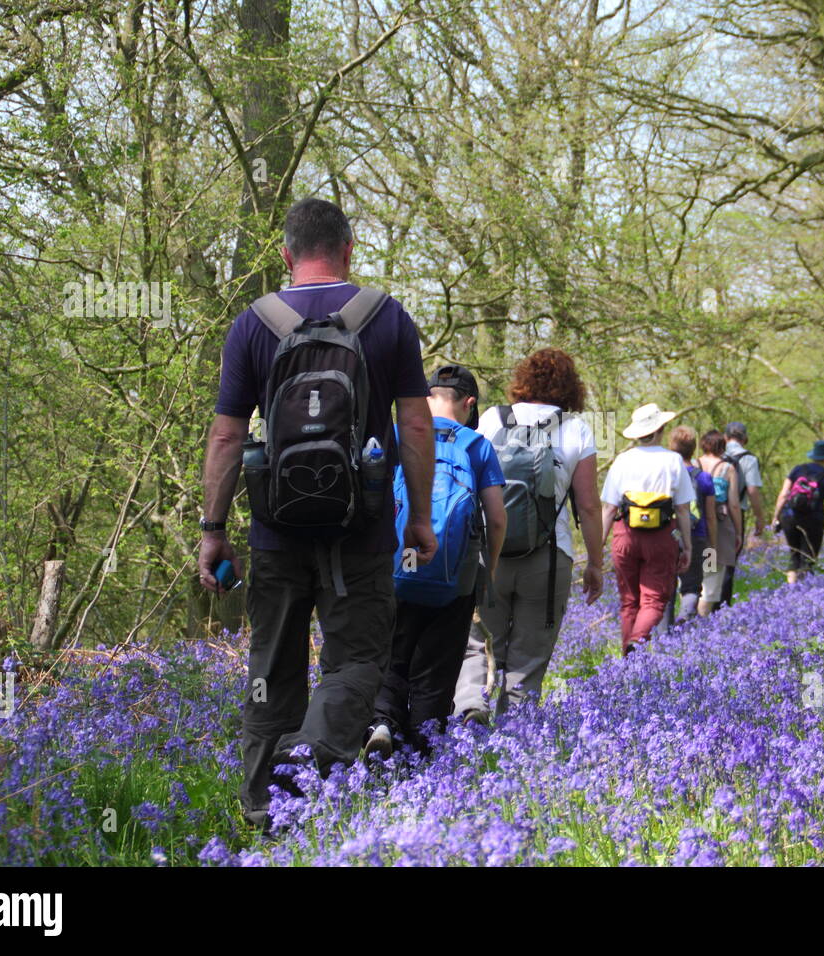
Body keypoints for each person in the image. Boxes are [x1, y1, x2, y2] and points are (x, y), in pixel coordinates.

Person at [199, 197, 437, 832]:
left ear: (286, 254)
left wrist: (213, 531)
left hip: (275, 526)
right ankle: (311, 754)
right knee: (358, 658)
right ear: (349, 250)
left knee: (271, 663)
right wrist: (418, 517)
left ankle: (261, 811)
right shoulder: (386, 319)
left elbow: (226, 438)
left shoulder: (253, 323)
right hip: (361, 527)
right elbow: (415, 423)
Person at [452, 348, 604, 720]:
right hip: (549, 559)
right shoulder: (576, 429)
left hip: (490, 552)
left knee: (476, 639)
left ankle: (470, 702)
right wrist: (596, 564)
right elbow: (587, 506)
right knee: (528, 656)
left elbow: (467, 482)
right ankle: (514, 739)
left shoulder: (491, 419)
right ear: (572, 389)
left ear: (523, 380)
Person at [364, 366, 506, 759]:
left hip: (396, 565)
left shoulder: (396, 434)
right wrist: (487, 571)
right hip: (452, 575)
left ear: (428, 395)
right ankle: (423, 748)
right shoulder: (477, 445)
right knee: (438, 666)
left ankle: (381, 724)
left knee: (392, 651)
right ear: (469, 403)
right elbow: (496, 517)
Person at [601, 404, 694, 654]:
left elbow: (609, 508)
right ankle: (636, 642)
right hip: (661, 537)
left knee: (629, 601)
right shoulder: (673, 460)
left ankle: (628, 656)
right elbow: (683, 509)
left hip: (625, 535)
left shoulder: (622, 460)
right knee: (654, 599)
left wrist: (596, 547)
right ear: (661, 429)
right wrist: (687, 547)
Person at [656, 425, 717, 631]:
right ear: (694, 448)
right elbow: (710, 516)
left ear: (671, 447)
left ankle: (664, 634)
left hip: (667, 535)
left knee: (667, 586)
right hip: (697, 536)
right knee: (691, 587)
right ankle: (684, 620)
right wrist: (712, 546)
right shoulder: (704, 478)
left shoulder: (665, 475)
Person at [771, 439, 824, 584]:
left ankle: (791, 591)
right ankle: (803, 594)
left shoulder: (797, 470)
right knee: (808, 559)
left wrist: (776, 517)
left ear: (813, 456)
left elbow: (784, 495)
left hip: (789, 517)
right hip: (813, 520)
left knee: (794, 556)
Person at [695, 429, 743, 615]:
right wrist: (738, 532)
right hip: (718, 529)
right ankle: (700, 622)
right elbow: (734, 505)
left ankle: (688, 618)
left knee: (692, 579)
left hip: (692, 527)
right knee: (711, 576)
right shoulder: (727, 468)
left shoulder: (692, 464)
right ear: (722, 446)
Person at [721, 422, 764, 606]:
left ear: (725, 438)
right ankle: (721, 605)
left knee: (710, 558)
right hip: (735, 515)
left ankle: (705, 603)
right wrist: (760, 517)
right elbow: (753, 490)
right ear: (745, 439)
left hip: (711, 513)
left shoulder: (715, 456)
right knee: (728, 561)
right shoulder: (749, 459)